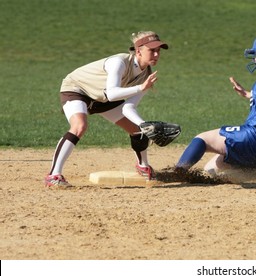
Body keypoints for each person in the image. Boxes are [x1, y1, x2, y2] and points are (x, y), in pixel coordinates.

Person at [45, 31, 168, 187]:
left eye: (159, 51)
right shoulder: (119, 62)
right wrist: (141, 88)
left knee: (138, 130)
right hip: (77, 89)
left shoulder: (146, 76)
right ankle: (54, 175)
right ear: (138, 51)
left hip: (102, 98)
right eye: (152, 50)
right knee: (79, 126)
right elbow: (112, 93)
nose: (156, 54)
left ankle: (143, 166)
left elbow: (129, 108)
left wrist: (145, 125)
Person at [175, 34, 256, 176]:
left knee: (202, 139)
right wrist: (247, 94)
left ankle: (177, 173)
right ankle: (254, 174)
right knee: (210, 170)